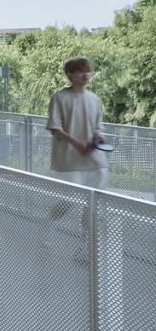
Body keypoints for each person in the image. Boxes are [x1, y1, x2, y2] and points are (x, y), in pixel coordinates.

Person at [47, 57, 108, 251]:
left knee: (93, 204)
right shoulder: (59, 98)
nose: (85, 74)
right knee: (70, 200)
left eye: (87, 71)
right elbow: (54, 128)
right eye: (80, 71)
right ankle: (48, 226)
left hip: (95, 159)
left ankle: (86, 245)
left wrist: (99, 134)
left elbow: (98, 126)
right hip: (69, 159)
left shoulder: (94, 99)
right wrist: (77, 143)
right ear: (70, 74)